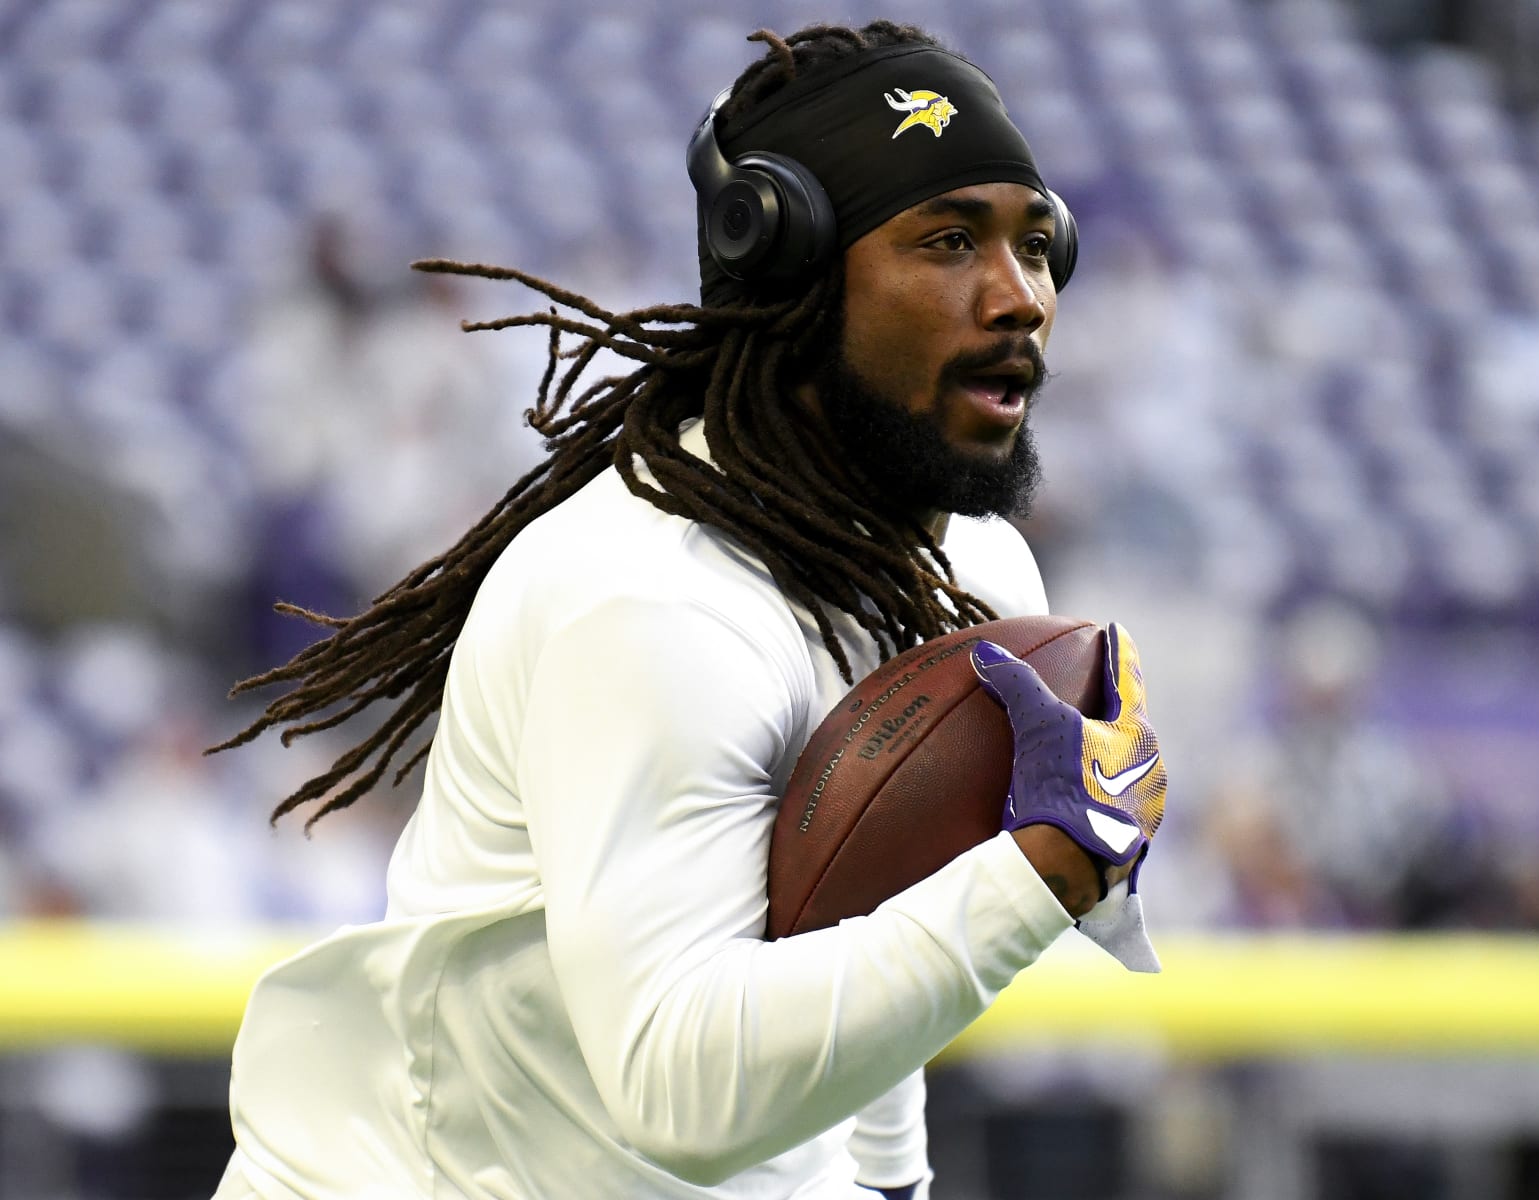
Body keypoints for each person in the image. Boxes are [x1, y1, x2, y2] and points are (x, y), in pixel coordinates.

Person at [209, 21, 1169, 1200]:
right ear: (793, 275)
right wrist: (1034, 878)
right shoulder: (656, 600)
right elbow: (681, 1091)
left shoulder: (976, 571)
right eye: (951, 241)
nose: (1021, 297)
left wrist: (889, 1182)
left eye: (1036, 244)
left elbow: (862, 931)